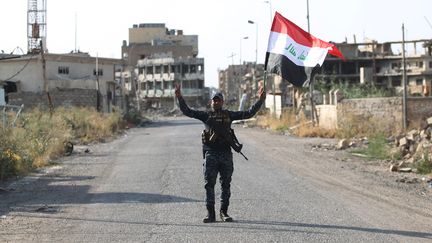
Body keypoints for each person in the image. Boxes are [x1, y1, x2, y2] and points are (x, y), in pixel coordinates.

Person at [174, 84, 266, 223]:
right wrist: (179, 97)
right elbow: (187, 111)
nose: (216, 102)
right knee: (209, 184)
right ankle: (211, 214)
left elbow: (248, 113)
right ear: (211, 102)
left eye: (218, 100)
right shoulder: (206, 116)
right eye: (214, 100)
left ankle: (224, 212)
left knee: (226, 185)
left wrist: (260, 100)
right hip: (211, 154)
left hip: (225, 154)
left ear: (222, 102)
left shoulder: (229, 114)